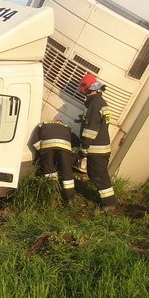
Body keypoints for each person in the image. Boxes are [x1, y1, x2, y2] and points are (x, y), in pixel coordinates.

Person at [77, 73, 118, 211]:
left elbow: (91, 129)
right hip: (103, 148)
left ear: (87, 89)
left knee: (97, 175)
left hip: (96, 148)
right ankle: (109, 201)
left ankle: (109, 204)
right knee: (99, 174)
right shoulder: (101, 102)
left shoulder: (94, 104)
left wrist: (84, 147)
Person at [33, 119, 77, 202]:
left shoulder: (42, 124)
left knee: (49, 170)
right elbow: (77, 142)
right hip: (64, 148)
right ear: (60, 122)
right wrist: (71, 154)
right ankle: (70, 198)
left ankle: (52, 194)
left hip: (47, 147)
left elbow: (34, 141)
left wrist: (41, 151)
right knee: (66, 171)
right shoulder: (67, 127)